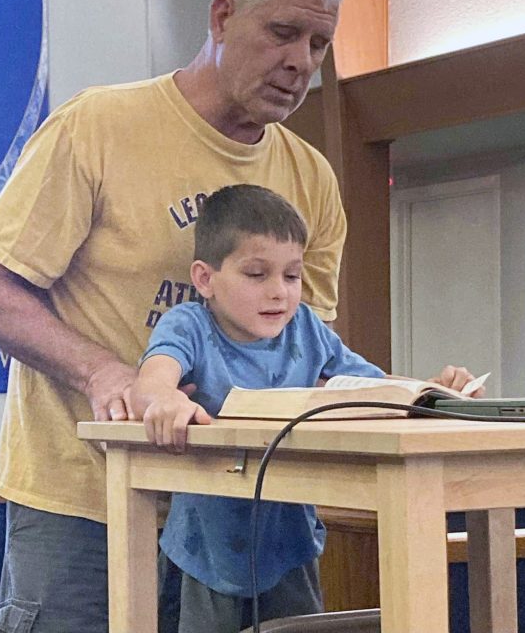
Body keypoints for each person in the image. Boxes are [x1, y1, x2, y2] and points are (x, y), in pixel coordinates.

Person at [0, 0, 351, 633]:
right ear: (222, 17)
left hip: (241, 520)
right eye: (283, 33)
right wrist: (106, 373)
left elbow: (307, 349)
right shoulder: (99, 128)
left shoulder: (311, 179)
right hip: (83, 506)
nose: (300, 63)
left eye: (318, 45)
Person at [131, 183, 480, 633]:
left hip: (290, 541)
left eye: (291, 276)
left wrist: (429, 388)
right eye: (257, 275)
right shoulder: (190, 325)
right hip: (207, 547)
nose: (279, 292)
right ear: (205, 279)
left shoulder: (307, 328)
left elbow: (369, 384)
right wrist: (165, 398)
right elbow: (151, 381)